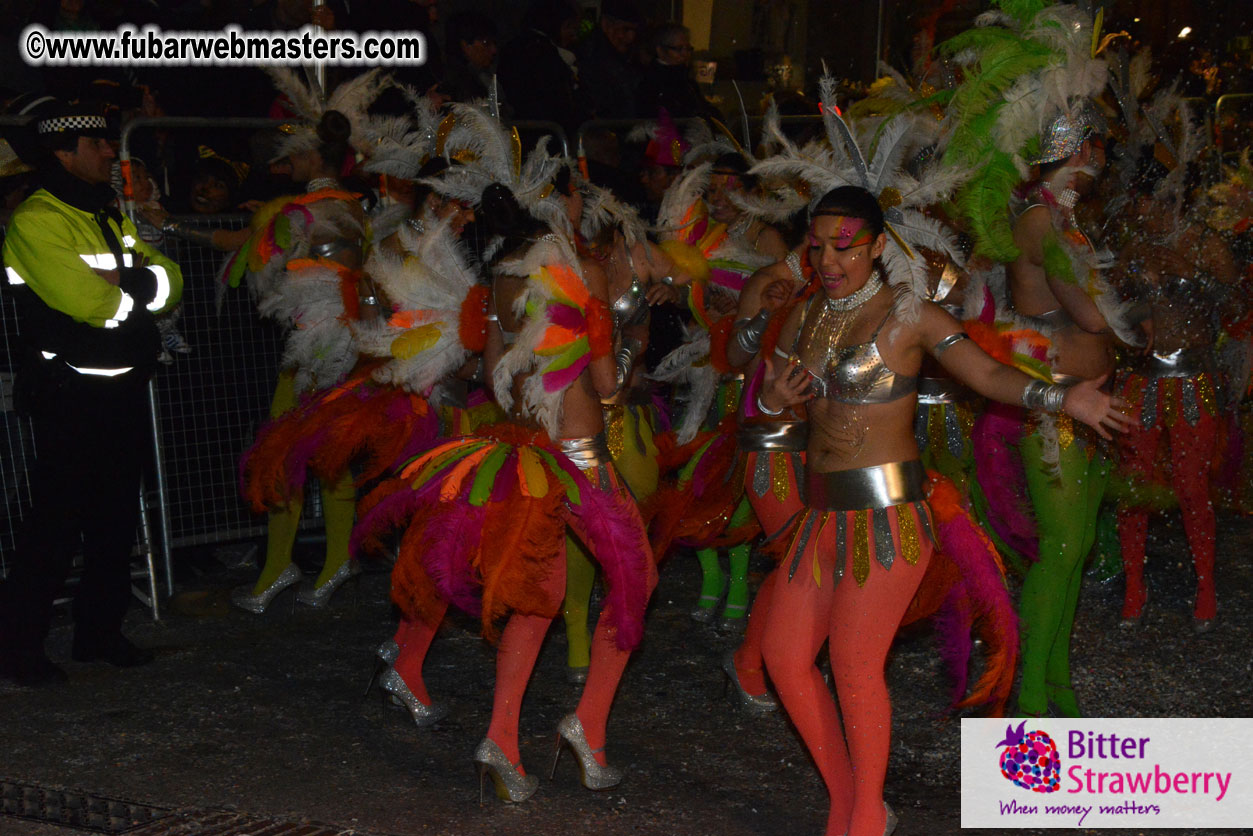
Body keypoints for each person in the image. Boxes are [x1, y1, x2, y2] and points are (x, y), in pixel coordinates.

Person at [757, 186, 1129, 836]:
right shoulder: (804, 316)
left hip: (886, 517)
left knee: (852, 664)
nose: (829, 260)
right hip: (819, 517)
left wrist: (1062, 399)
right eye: (817, 246)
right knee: (784, 658)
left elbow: (985, 377)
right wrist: (768, 399)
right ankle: (848, 799)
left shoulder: (910, 316)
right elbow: (780, 398)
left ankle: (863, 818)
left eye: (844, 246)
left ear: (875, 245)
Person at [0, 99, 183, 685]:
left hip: (122, 387)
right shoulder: (38, 220)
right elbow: (90, 303)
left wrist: (128, 286)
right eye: (97, 144)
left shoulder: (103, 211)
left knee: (114, 521)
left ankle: (98, 634)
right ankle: (19, 650)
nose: (111, 151)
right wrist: (135, 291)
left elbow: (169, 283)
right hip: (69, 395)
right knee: (52, 527)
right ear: (63, 151)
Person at [637, 23, 721, 120]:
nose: (685, 54)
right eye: (678, 49)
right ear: (660, 51)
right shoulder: (652, 83)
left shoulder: (686, 80)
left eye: (688, 49)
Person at [576, 0, 644, 119]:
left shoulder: (628, 55)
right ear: (606, 25)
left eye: (634, 31)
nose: (631, 37)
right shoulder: (590, 56)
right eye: (625, 29)